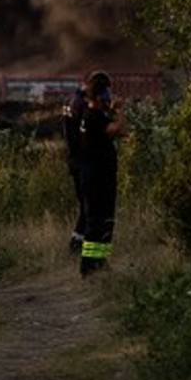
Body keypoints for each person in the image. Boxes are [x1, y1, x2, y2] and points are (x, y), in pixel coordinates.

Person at [64, 71, 125, 276]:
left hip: (97, 174)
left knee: (103, 221)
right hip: (97, 177)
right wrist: (120, 111)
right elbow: (119, 130)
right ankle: (89, 265)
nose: (109, 98)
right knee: (96, 220)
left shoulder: (92, 114)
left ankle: (98, 261)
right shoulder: (92, 117)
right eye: (107, 94)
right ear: (99, 96)